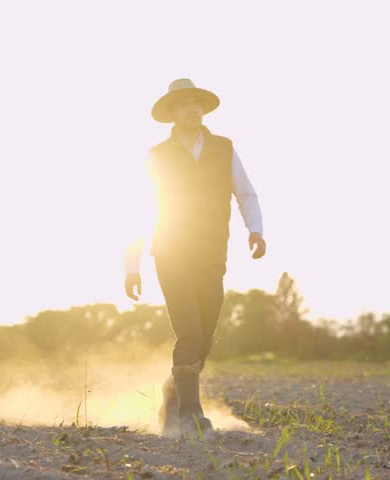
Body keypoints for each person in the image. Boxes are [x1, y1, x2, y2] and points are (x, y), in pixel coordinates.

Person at [124, 78, 266, 437]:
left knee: (203, 341)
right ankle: (190, 416)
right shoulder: (157, 155)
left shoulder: (224, 148)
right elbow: (140, 210)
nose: (192, 109)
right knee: (189, 330)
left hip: (212, 254)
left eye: (196, 103)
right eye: (184, 104)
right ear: (172, 113)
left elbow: (245, 193)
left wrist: (256, 230)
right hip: (171, 253)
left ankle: (172, 396)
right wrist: (132, 265)